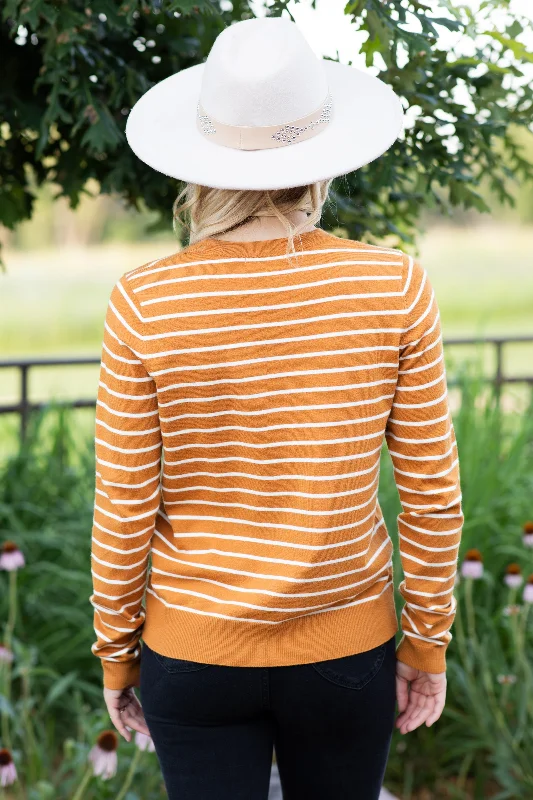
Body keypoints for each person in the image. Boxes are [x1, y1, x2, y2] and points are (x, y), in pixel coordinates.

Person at [89, 16, 463, 800]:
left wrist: (118, 655)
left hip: (191, 656)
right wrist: (425, 645)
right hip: (346, 655)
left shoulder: (144, 302)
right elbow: (430, 487)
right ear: (320, 162)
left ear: (201, 164)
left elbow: (124, 502)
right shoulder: (393, 287)